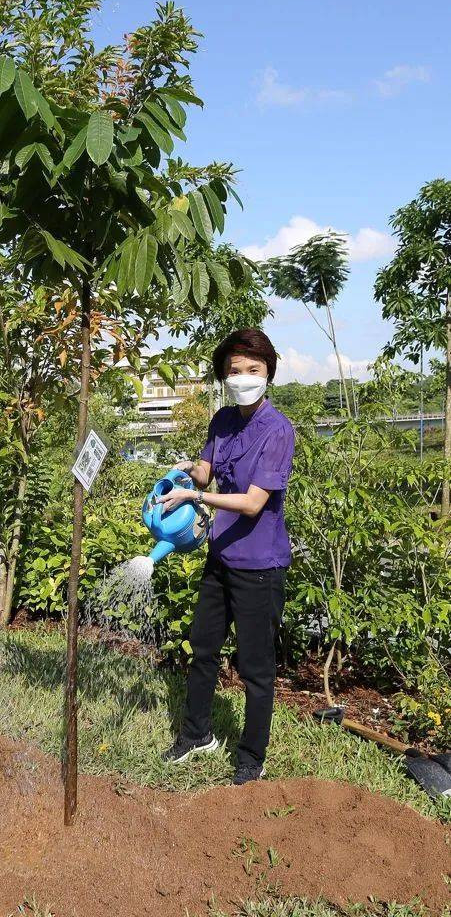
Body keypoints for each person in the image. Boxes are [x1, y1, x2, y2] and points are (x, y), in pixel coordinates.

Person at [156, 328, 294, 785]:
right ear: (224, 377)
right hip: (221, 557)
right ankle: (197, 735)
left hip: (259, 567)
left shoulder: (278, 430)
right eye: (235, 371)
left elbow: (254, 502)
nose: (243, 378)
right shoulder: (222, 420)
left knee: (256, 668)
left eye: (253, 369)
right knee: (203, 648)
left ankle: (252, 757)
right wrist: (186, 472)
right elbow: (208, 469)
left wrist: (196, 498)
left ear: (268, 372)